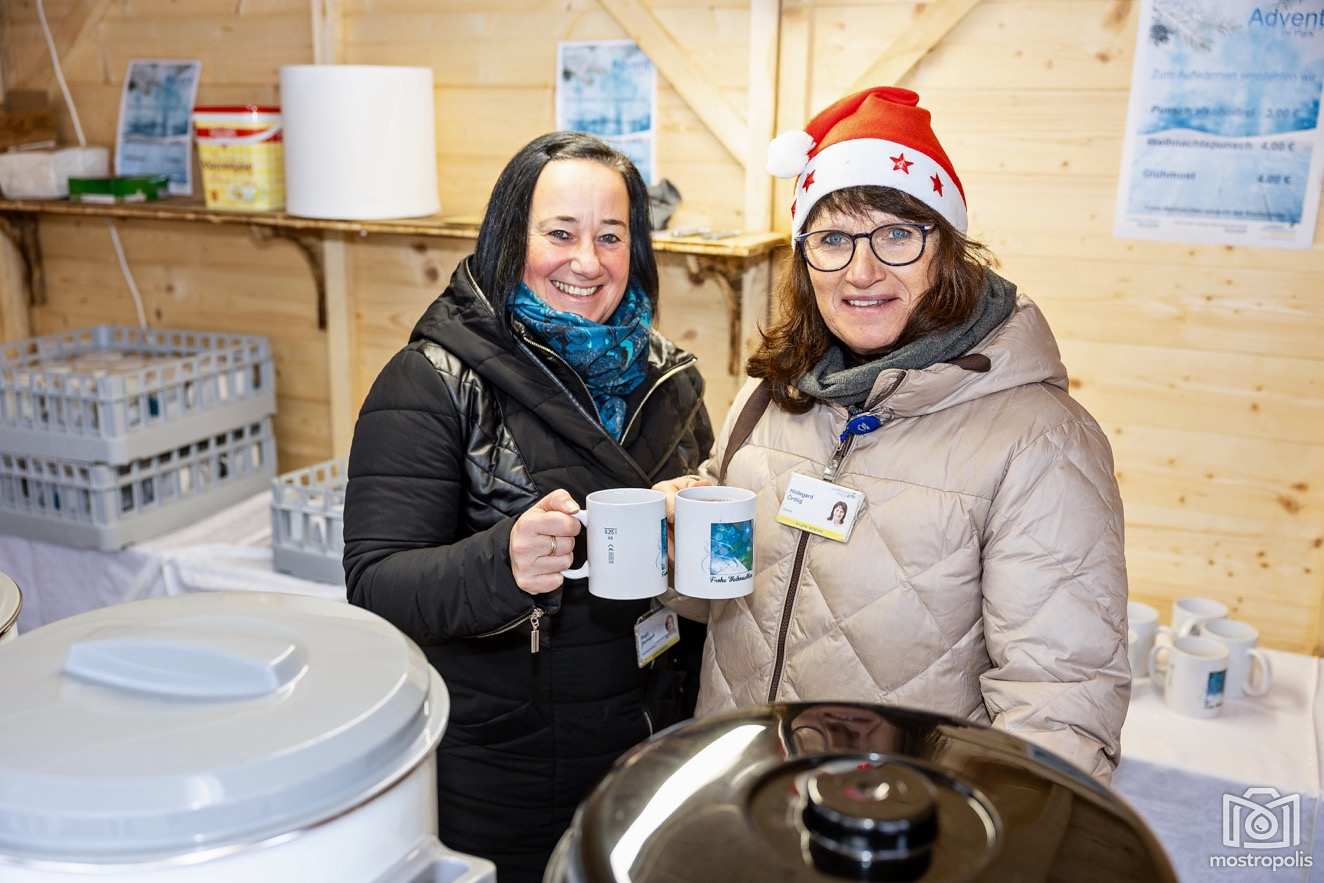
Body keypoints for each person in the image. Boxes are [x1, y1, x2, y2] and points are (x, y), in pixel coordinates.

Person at [657, 87, 1128, 783]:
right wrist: (678, 528)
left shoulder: (1040, 441)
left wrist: (982, 832)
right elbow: (730, 600)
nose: (862, 270)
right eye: (832, 240)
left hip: (907, 818)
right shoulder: (772, 394)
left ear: (949, 251)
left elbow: (1061, 703)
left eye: (898, 235)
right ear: (804, 259)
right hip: (745, 791)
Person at [344, 131, 714, 881]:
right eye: (561, 233)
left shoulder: (670, 379)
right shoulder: (432, 380)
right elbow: (375, 583)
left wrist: (691, 526)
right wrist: (501, 562)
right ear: (511, 238)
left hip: (650, 743)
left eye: (610, 236)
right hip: (503, 769)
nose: (588, 261)